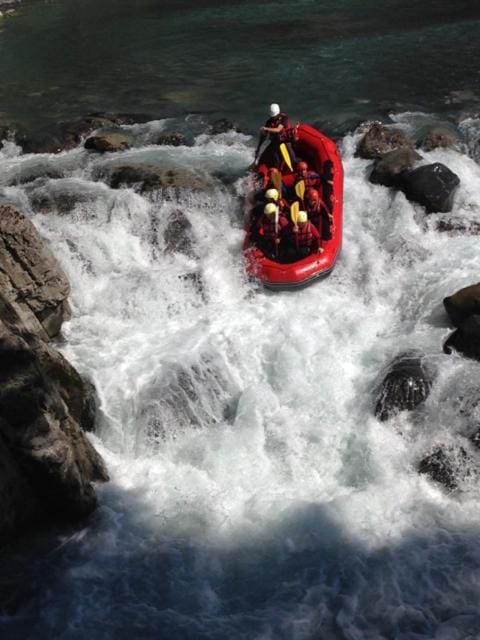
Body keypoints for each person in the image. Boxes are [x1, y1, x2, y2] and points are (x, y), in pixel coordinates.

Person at [254, 103, 296, 168]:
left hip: (286, 139)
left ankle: (295, 164)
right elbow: (264, 136)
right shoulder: (269, 122)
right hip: (276, 141)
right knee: (275, 156)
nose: (274, 118)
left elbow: (278, 129)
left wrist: (266, 128)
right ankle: (277, 168)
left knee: (290, 151)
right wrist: (258, 147)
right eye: (272, 117)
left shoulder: (284, 118)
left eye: (275, 116)